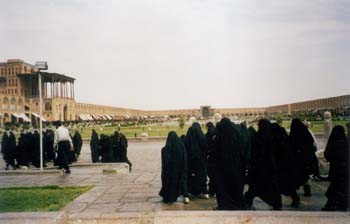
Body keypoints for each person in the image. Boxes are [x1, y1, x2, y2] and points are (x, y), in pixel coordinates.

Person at [245, 119, 282, 210]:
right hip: (269, 167)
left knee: (254, 187)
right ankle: (277, 204)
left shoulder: (256, 137)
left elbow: (253, 152)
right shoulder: (272, 137)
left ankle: (247, 202)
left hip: (258, 167)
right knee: (271, 186)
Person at [215, 118, 246, 210]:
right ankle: (237, 203)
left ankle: (224, 204)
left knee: (223, 186)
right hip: (236, 166)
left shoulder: (220, 136)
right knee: (235, 185)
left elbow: (216, 152)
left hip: (223, 167)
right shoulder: (237, 135)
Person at [271, 123, 300, 208]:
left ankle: (278, 202)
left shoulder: (276, 140)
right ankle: (295, 198)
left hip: (281, 166)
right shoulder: (285, 139)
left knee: (281, 185)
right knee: (287, 185)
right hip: (287, 166)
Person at [322, 125, 349, 211]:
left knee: (334, 187)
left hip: (335, 169)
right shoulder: (346, 141)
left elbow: (327, 155)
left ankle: (331, 205)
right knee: (342, 187)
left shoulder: (333, 141)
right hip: (345, 169)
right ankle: (342, 204)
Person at [159, 131, 189, 204]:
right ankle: (174, 197)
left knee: (167, 183)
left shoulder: (165, 149)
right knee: (176, 183)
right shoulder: (181, 148)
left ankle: (167, 197)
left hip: (167, 171)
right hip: (178, 170)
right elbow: (184, 159)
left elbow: (164, 162)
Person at [289, 118, 316, 197]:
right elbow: (311, 143)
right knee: (306, 175)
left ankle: (294, 194)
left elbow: (291, 145)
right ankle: (307, 191)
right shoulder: (306, 132)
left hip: (298, 158)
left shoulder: (294, 133)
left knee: (297, 175)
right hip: (307, 158)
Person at [184, 122, 209, 198]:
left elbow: (185, 147)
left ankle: (190, 191)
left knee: (190, 176)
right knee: (202, 175)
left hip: (190, 160)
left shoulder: (188, 137)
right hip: (200, 160)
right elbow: (205, 148)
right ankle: (204, 192)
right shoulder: (202, 136)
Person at [205, 122, 217, 196]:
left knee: (212, 174)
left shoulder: (209, 133)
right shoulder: (216, 132)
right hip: (216, 157)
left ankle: (212, 190)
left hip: (211, 156)